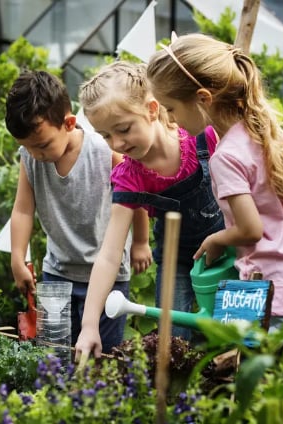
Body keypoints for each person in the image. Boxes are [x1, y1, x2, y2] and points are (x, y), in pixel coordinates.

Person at [146, 33, 283, 377]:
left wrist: (216, 239)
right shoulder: (263, 130)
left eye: (171, 108)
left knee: (264, 388)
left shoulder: (227, 156)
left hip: (278, 293)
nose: (170, 120)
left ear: (203, 98)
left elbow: (250, 229)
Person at [74, 61, 225, 358]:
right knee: (172, 344)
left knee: (234, 334)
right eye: (105, 136)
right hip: (176, 261)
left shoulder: (202, 137)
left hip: (229, 252)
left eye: (124, 129)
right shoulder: (131, 177)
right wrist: (89, 324)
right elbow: (109, 254)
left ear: (153, 109)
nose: (116, 143)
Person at [5, 70, 150, 354]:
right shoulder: (31, 159)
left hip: (109, 276)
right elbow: (23, 210)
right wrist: (16, 257)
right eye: (27, 147)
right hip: (57, 273)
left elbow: (136, 196)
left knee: (102, 358)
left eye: (43, 145)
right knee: (53, 355)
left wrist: (142, 242)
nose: (36, 154)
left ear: (69, 123)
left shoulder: (104, 153)